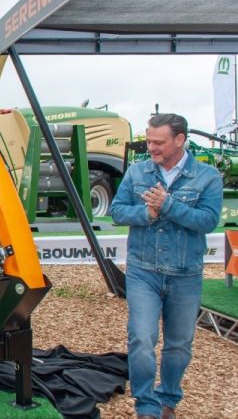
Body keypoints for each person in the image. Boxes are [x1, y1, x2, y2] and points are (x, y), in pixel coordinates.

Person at [110, 114, 222, 419]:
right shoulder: (137, 172)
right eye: (149, 141)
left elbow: (208, 220)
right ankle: (146, 406)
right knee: (142, 338)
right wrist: (148, 213)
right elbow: (117, 212)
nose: (152, 147)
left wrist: (168, 206)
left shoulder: (208, 177)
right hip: (143, 271)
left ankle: (168, 399)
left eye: (158, 142)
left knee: (179, 345)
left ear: (180, 140)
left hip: (186, 274)